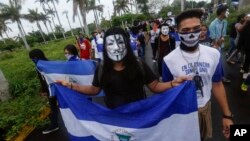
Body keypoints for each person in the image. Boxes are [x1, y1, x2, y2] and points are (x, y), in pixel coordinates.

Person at [57, 27, 189, 109]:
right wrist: (71, 86)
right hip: (116, 118)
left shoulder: (139, 64)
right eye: (110, 43)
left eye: (120, 42)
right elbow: (94, 90)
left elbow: (155, 86)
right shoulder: (102, 67)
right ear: (105, 47)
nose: (116, 47)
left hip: (140, 115)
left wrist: (172, 83)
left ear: (127, 44)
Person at [162, 9, 233, 141]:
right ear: (177, 31)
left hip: (205, 109)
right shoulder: (169, 60)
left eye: (196, 28)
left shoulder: (213, 54)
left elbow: (217, 84)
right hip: (181, 112)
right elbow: (166, 92)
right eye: (185, 30)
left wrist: (227, 116)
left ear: (201, 29)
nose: (191, 34)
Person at [29, 49, 59, 134]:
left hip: (52, 90)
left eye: (32, 58)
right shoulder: (48, 63)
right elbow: (44, 80)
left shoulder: (40, 66)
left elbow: (46, 80)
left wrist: (48, 92)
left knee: (53, 107)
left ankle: (54, 125)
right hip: (55, 88)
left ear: (36, 57)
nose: (32, 60)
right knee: (58, 106)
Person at [209, 4, 231, 83]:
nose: (228, 12)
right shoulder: (213, 24)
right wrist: (217, 44)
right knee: (218, 62)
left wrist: (222, 39)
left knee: (218, 61)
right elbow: (213, 39)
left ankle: (217, 76)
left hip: (220, 44)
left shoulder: (224, 21)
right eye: (226, 11)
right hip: (215, 45)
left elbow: (223, 34)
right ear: (222, 12)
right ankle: (220, 77)